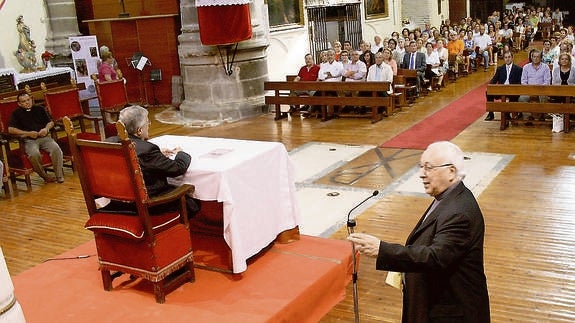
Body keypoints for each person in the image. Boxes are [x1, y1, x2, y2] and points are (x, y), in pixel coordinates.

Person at [348, 141, 490, 323]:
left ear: (451, 172)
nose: (422, 174)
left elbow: (436, 257)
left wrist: (382, 250)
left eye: (429, 168)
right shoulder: (448, 196)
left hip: (450, 312)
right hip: (431, 302)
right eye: (421, 166)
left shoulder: (459, 212)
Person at [105, 105, 200, 216]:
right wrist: (181, 153)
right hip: (145, 206)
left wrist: (158, 154)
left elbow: (138, 156)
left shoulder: (108, 143)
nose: (149, 125)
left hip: (117, 203)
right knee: (192, 203)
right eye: (147, 122)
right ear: (139, 130)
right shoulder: (147, 150)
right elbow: (178, 168)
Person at [8, 93, 64, 183]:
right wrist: (27, 133)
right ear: (19, 103)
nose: (27, 102)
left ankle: (59, 175)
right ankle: (44, 176)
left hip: (44, 137)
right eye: (24, 101)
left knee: (56, 148)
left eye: (28, 100)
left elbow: (51, 122)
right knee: (34, 154)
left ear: (31, 99)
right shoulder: (16, 113)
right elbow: (11, 129)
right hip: (29, 140)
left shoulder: (39, 109)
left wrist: (46, 129)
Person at [485, 51, 523, 121]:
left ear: (512, 58)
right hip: (501, 89)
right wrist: (489, 87)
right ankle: (491, 113)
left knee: (515, 96)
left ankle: (507, 113)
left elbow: (519, 82)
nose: (507, 59)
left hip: (513, 90)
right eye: (505, 57)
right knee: (488, 92)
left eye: (509, 57)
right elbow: (494, 79)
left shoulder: (518, 69)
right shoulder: (500, 69)